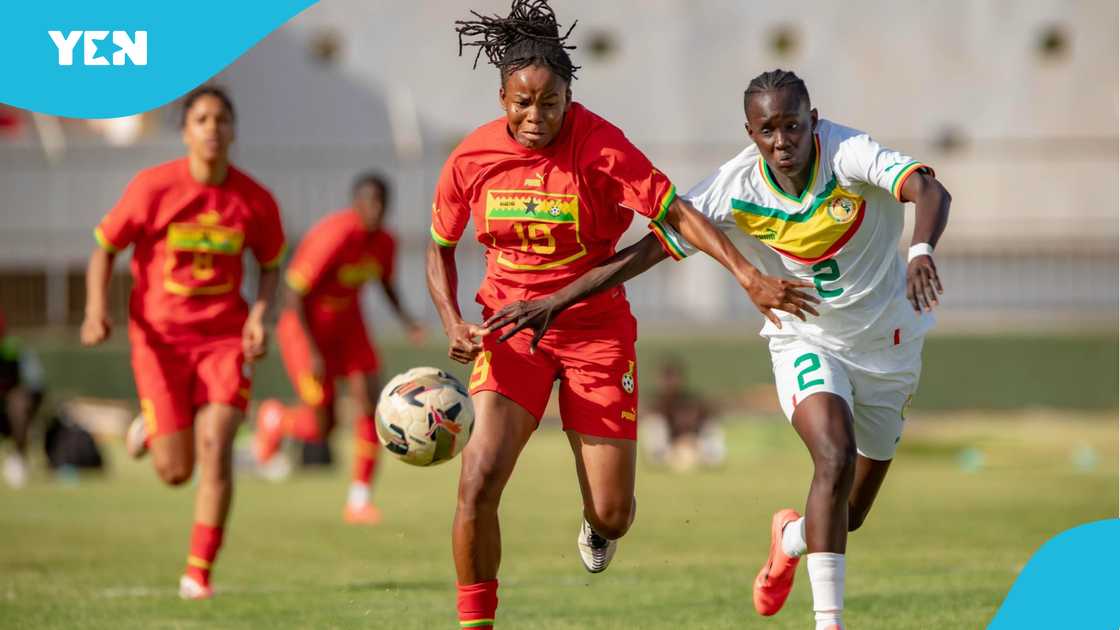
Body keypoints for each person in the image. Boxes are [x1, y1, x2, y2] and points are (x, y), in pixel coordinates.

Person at [489, 69, 951, 630]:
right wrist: (555, 300)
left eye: (793, 126)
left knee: (847, 513)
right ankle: (829, 622)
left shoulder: (849, 152)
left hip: (889, 346)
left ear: (814, 120)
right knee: (832, 455)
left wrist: (921, 248)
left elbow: (929, 188)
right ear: (750, 132)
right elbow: (647, 249)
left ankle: (790, 537)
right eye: (767, 130)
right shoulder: (736, 185)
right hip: (804, 335)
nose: (783, 142)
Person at [428, 3, 817, 627]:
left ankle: (597, 525)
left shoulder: (603, 147)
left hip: (595, 336)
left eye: (549, 103)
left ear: (568, 94)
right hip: (509, 335)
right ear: (501, 95)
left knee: (614, 512)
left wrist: (747, 275)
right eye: (521, 103)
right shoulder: (470, 159)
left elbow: (678, 215)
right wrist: (452, 320)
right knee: (476, 479)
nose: (535, 118)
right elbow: (439, 247)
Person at [80, 85, 287, 600]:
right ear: (185, 131)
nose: (212, 128)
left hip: (224, 340)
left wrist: (259, 316)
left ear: (233, 130)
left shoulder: (254, 200)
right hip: (160, 342)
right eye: (201, 120)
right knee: (175, 472)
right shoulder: (153, 188)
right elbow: (106, 248)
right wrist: (95, 310)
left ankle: (198, 573)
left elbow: (269, 264)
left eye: (221, 119)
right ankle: (154, 427)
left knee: (216, 449)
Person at [254, 171, 425, 525]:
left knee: (371, 404)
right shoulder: (333, 235)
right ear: (356, 203)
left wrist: (407, 319)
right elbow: (293, 295)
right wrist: (312, 351)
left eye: (381, 203)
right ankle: (276, 420)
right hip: (306, 331)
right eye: (369, 202)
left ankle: (359, 499)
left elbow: (385, 282)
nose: (375, 210)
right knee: (321, 425)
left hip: (350, 329)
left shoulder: (384, 242)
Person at [640, 357, 725, 471]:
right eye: (666, 378)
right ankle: (660, 460)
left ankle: (711, 458)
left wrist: (689, 441)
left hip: (694, 446)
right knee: (654, 422)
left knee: (711, 425)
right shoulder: (656, 403)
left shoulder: (691, 400)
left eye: (672, 378)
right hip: (669, 450)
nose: (669, 383)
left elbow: (707, 418)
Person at [0, 308, 46, 488]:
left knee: (19, 403)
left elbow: (36, 383)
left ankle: (19, 458)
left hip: (9, 410)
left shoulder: (15, 348)